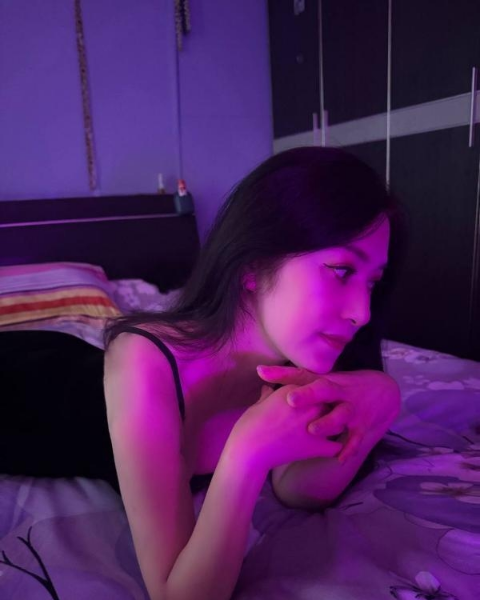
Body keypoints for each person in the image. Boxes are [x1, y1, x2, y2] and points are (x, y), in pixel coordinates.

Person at [0, 146, 408, 600]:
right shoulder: (143, 358)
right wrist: (245, 455)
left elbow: (300, 490)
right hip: (24, 385)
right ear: (252, 267)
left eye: (372, 282)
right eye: (341, 270)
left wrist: (382, 397)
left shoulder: (298, 361)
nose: (362, 313)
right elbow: (178, 594)